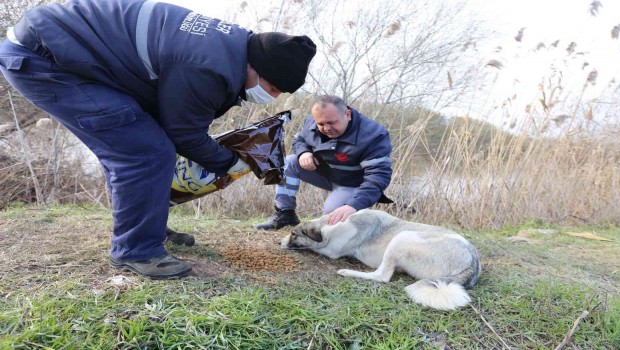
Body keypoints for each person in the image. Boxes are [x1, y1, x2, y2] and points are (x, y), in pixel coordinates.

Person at [0, 0, 316, 279]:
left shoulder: (229, 46)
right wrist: (229, 163)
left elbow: (174, 117)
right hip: (43, 59)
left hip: (65, 49)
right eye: (273, 88)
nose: (270, 96)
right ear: (256, 67)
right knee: (144, 152)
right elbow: (183, 133)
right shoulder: (209, 65)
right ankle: (136, 249)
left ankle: (147, 227)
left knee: (141, 142)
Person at [255, 95, 393, 230]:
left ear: (348, 114)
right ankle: (285, 215)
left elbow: (378, 177)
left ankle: (357, 222)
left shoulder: (373, 136)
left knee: (333, 214)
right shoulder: (312, 122)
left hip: (353, 184)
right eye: (321, 124)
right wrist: (304, 152)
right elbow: (299, 140)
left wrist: (354, 205)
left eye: (332, 123)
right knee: (288, 162)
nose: (326, 128)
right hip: (327, 173)